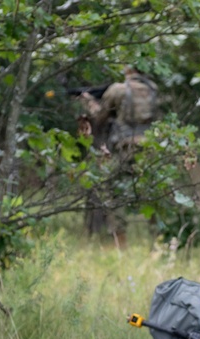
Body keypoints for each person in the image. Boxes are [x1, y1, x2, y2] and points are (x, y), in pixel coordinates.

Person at [78, 66, 159, 247]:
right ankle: (158, 240)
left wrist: (89, 102)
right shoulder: (152, 88)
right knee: (153, 192)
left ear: (128, 69)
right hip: (150, 147)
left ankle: (121, 243)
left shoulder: (118, 90)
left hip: (126, 147)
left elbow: (100, 116)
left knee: (114, 194)